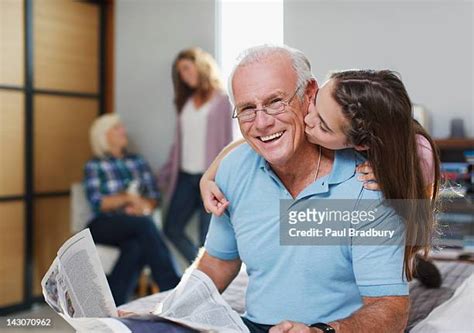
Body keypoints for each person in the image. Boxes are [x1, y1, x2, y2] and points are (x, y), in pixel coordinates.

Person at [195, 45, 437, 333]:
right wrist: (171, 308)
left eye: (276, 101)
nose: (261, 123)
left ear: (308, 94)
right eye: (247, 108)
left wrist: (322, 331)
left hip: (333, 326)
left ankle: (413, 260)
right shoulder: (236, 167)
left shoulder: (373, 180)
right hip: (254, 324)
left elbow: (390, 307)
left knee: (404, 239)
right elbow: (217, 262)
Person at [83, 114, 180, 305]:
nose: (123, 131)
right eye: (116, 128)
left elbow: (153, 197)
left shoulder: (137, 161)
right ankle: (171, 286)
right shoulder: (95, 165)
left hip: (136, 222)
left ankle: (113, 303)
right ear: (104, 136)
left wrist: (144, 206)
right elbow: (98, 202)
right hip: (104, 223)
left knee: (135, 246)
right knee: (144, 226)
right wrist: (128, 199)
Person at [159, 47, 233, 263]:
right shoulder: (187, 103)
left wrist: (224, 178)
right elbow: (178, 145)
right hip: (185, 177)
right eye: (179, 72)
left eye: (186, 68)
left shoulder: (222, 101)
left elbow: (228, 143)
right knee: (171, 228)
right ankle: (200, 272)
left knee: (206, 238)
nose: (183, 75)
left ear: (200, 66)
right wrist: (162, 176)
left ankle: (206, 283)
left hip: (209, 178)